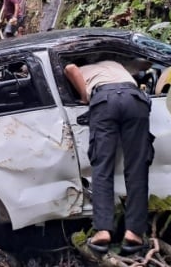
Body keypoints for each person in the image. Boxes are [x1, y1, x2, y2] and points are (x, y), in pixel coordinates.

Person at [64, 59, 153, 254]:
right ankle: (134, 233)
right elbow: (144, 65)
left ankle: (103, 230)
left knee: (102, 167)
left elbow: (70, 68)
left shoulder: (83, 67)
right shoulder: (117, 64)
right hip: (134, 98)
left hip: (104, 100)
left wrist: (84, 96)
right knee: (137, 167)